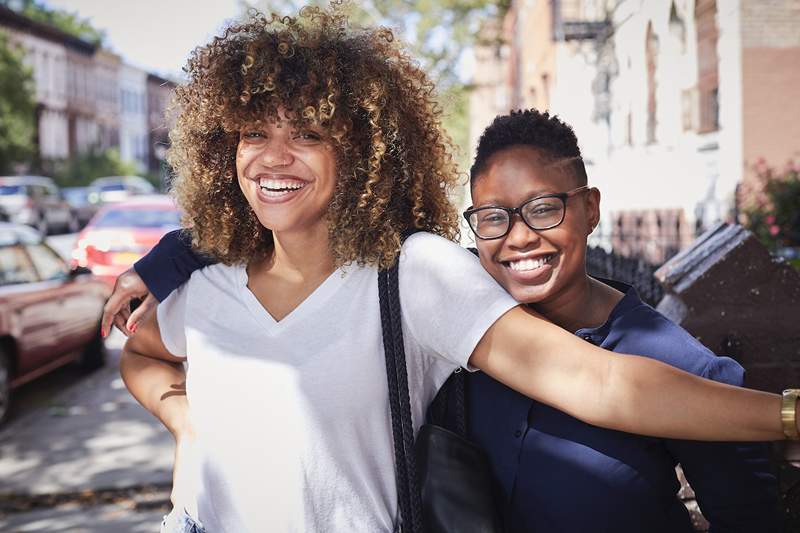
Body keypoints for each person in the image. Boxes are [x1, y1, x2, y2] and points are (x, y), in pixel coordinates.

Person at [110, 5, 794, 533]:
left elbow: (597, 378)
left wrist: (789, 414)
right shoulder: (200, 280)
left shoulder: (410, 275)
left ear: (362, 151)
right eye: (254, 132)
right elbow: (142, 354)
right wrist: (186, 421)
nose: (273, 156)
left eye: (308, 133)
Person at [460, 109, 779, 532]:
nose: (519, 237)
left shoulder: (683, 366)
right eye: (494, 217)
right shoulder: (460, 337)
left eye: (542, 208)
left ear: (590, 209)